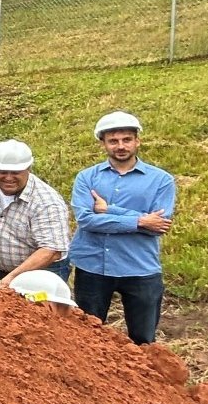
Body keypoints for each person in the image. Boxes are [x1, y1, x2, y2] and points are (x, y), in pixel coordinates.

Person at [70, 111, 176, 345]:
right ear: (103, 144)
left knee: (143, 340)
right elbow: (86, 220)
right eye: (113, 141)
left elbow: (159, 226)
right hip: (92, 266)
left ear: (137, 141)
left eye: (126, 139)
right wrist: (140, 221)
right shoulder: (86, 178)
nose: (120, 146)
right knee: (87, 337)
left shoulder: (161, 180)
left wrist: (109, 210)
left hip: (139, 267)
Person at [0, 140, 70, 288]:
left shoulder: (46, 202)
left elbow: (51, 251)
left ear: (28, 169)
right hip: (0, 271)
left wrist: (13, 277)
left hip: (42, 274)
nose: (8, 177)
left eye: (15, 172)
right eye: (2, 172)